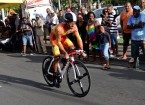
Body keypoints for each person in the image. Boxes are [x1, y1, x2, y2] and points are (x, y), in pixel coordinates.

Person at [50, 12, 86, 87]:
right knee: (57, 56)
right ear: (66, 22)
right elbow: (58, 42)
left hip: (62, 38)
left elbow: (79, 38)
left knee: (72, 48)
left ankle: (64, 62)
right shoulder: (60, 28)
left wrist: (82, 50)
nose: (73, 24)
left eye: (74, 22)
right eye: (71, 23)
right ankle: (54, 76)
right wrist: (65, 52)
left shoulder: (74, 26)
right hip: (54, 39)